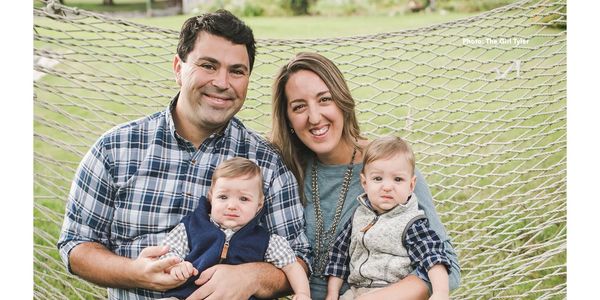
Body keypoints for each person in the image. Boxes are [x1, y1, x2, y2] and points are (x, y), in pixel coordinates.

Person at [57, 10, 310, 300]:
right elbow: (76, 245)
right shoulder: (115, 149)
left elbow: (299, 257)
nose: (222, 82)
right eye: (208, 65)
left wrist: (251, 277)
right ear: (178, 68)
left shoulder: (266, 164)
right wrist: (135, 272)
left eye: (237, 71)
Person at [270, 52, 460, 299]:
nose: (315, 117)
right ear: (288, 119)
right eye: (299, 107)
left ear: (342, 101)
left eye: (325, 99)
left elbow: (449, 269)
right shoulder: (286, 171)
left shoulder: (388, 171)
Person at [159, 157, 311, 300]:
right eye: (223, 197)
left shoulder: (267, 241)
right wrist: (176, 266)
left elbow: (291, 265)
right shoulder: (192, 226)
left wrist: (303, 293)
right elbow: (167, 251)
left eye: (244, 199)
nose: (232, 206)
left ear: (259, 204)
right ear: (211, 197)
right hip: (187, 295)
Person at [324, 136, 450, 300]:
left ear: (411, 185)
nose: (387, 187)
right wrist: (332, 294)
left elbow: (433, 256)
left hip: (393, 291)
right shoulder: (358, 216)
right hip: (355, 292)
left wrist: (440, 292)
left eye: (398, 179)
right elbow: (338, 255)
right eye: (377, 179)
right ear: (364, 182)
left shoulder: (411, 223)